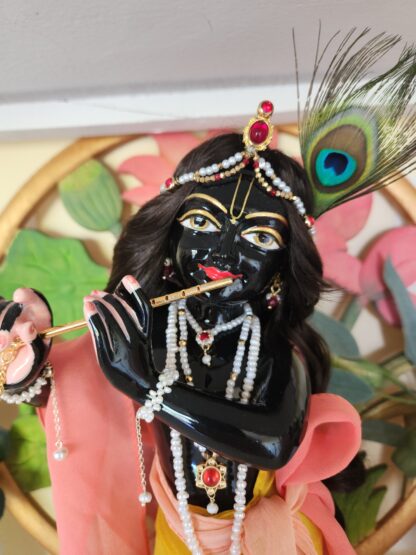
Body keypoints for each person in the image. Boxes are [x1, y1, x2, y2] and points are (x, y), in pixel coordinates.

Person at [1, 30, 415, 555]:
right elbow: (81, 402)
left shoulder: (269, 345)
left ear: (282, 268)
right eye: (201, 222)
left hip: (274, 537)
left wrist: (143, 383)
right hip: (175, 532)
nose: (223, 252)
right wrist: (29, 365)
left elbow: (272, 440)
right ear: (169, 240)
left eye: (259, 237)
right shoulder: (149, 329)